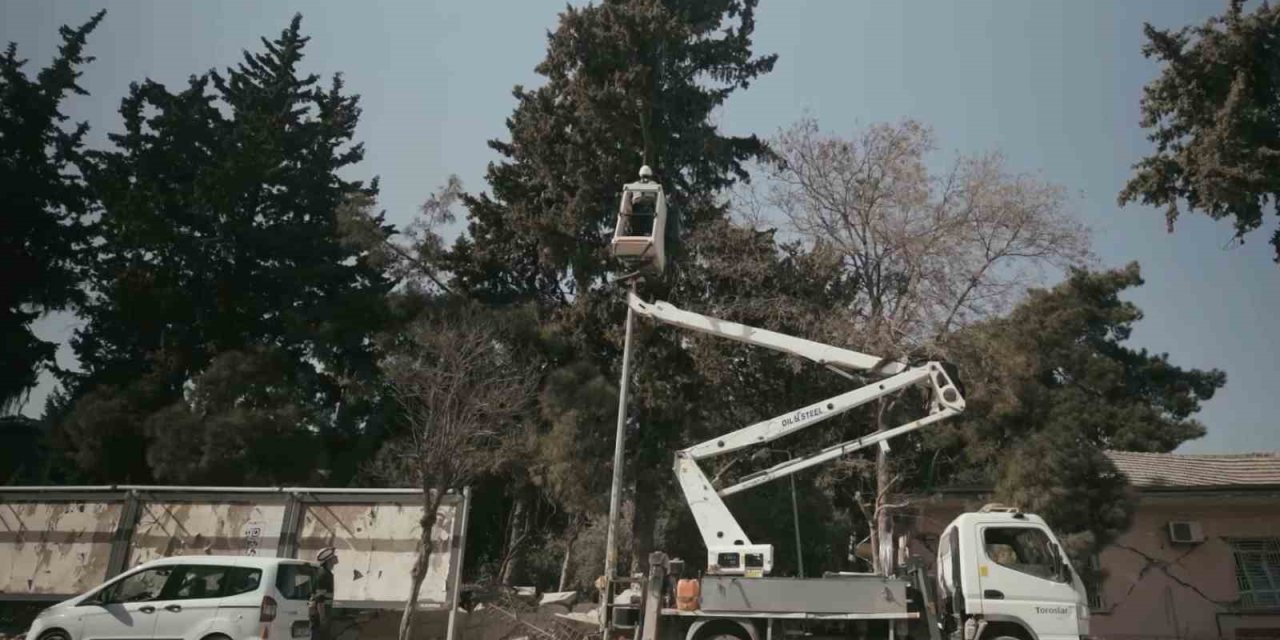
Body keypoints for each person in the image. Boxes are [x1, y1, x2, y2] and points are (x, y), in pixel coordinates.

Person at [311, 547, 338, 640]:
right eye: (334, 556)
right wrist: (322, 618)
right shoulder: (323, 574)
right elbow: (320, 599)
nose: (336, 557)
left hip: (325, 613)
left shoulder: (327, 573)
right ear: (329, 560)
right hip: (321, 614)